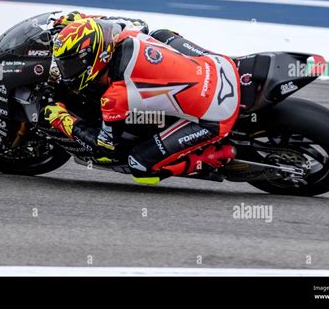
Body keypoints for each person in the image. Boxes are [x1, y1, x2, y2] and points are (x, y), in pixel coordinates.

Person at [44, 11, 240, 185]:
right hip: (218, 65)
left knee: (139, 166)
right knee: (159, 34)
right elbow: (132, 23)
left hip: (215, 112)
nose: (64, 72)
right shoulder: (128, 33)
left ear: (94, 59)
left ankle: (213, 156)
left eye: (68, 66)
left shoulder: (115, 96)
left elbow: (106, 149)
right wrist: (80, 21)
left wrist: (63, 120)